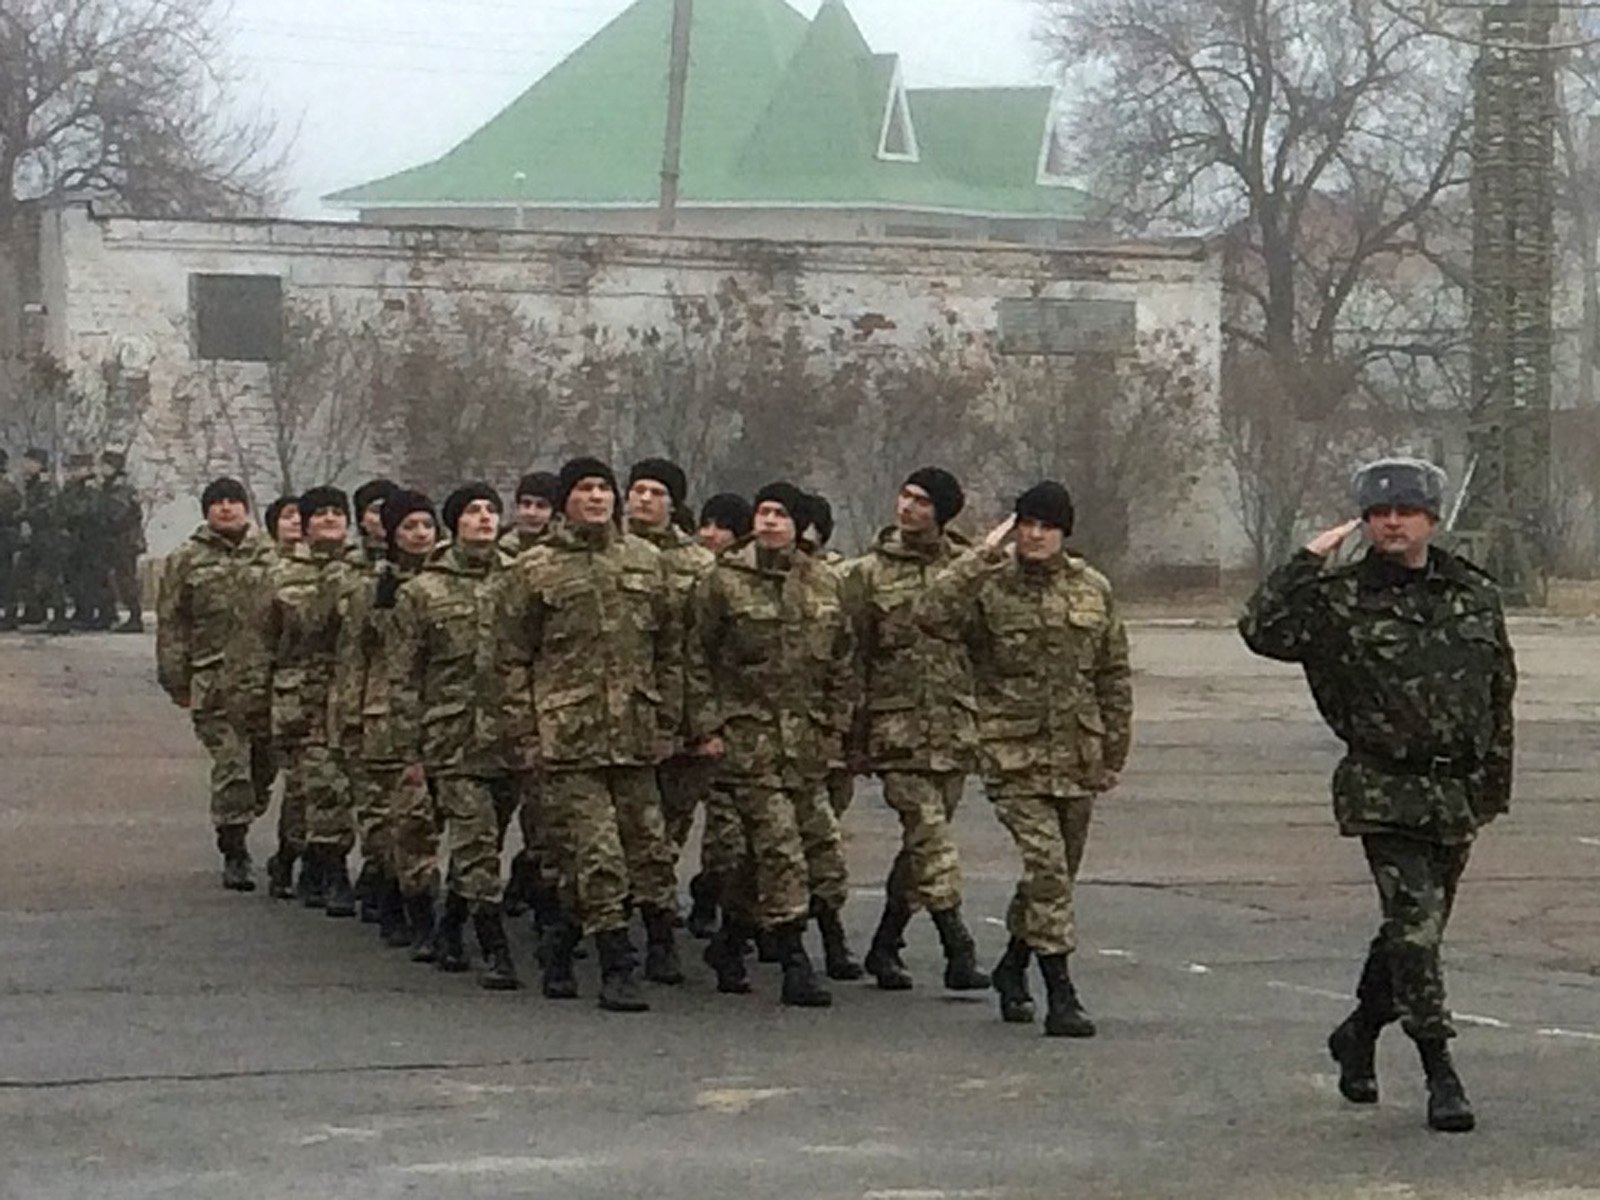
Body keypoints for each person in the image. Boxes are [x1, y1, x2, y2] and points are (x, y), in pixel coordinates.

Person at [1238, 458, 1516, 1134]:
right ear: (1364, 520)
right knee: (1417, 933)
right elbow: (1262, 630)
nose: (1393, 522)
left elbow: (1497, 690)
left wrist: (1493, 782)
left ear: (1432, 518)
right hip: (1384, 784)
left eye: (1408, 510)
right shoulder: (1339, 600)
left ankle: (1359, 1031)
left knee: (1410, 930)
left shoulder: (1472, 592)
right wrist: (1305, 561)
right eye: (1380, 512)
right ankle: (1439, 1071)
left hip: (1454, 788)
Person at [918, 482, 1132, 1038]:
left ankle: (1013, 967)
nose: (1035, 536)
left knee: (1056, 877)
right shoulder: (988, 586)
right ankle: (1061, 993)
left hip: (1077, 755)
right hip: (1012, 755)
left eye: (1047, 527)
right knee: (1047, 870)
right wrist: (980, 558)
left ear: (1064, 533)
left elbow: (1111, 672)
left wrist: (1114, 750)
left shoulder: (1092, 589)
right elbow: (930, 615)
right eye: (1027, 524)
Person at [498, 457, 683, 1011]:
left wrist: (668, 720)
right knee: (598, 852)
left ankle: (559, 943)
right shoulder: (534, 569)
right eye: (584, 489)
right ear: (564, 502)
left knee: (648, 850)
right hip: (566, 738)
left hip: (633, 735)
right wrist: (524, 733)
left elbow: (670, 649)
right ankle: (616, 963)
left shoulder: (648, 562)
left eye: (605, 487)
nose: (597, 497)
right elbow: (510, 656)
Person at [687, 482, 856, 1007]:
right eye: (762, 512)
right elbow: (696, 658)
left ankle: (731, 940)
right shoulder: (724, 582)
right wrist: (706, 728)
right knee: (781, 853)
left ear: (799, 525)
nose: (769, 522)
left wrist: (834, 725)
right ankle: (794, 963)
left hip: (804, 746)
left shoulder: (824, 583)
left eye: (780, 514)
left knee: (819, 857)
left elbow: (842, 662)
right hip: (747, 743)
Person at [842, 467, 989, 993]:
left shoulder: (969, 569)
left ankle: (886, 945)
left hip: (952, 728)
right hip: (895, 729)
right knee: (931, 837)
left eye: (922, 501)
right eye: (904, 496)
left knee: (921, 847)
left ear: (942, 513)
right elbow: (852, 657)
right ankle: (958, 946)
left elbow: (986, 648)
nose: (907, 508)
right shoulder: (867, 574)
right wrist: (853, 737)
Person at [390, 484, 521, 990]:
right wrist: (410, 750)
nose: (484, 519)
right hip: (453, 738)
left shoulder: (521, 579)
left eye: (491, 510)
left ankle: (450, 926)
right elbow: (404, 676)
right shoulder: (423, 592)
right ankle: (495, 947)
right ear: (454, 523)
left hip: (510, 735)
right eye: (472, 511)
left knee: (489, 837)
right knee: (476, 841)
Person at [244, 487, 362, 914]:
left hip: (352, 695)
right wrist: (254, 706)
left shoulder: (364, 571)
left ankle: (308, 860)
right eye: (320, 514)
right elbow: (258, 644)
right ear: (306, 524)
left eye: (337, 512)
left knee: (333, 788)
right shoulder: (277, 575)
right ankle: (323, 867)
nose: (330, 519)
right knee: (313, 786)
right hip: (300, 698)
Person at [155, 478, 277, 889]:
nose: (226, 509)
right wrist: (176, 679)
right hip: (214, 681)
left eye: (233, 502)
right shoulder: (187, 559)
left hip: (266, 684)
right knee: (232, 766)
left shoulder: (272, 555)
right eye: (217, 503)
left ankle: (244, 813)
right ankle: (235, 849)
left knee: (263, 768)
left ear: (246, 507)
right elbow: (173, 623)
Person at [624, 458, 717, 881]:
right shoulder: (609, 553)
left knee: (670, 825)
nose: (645, 499)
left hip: (682, 715)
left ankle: (651, 907)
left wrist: (702, 725)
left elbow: (708, 648)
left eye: (657, 493)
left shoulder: (699, 565)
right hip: (620, 713)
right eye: (639, 490)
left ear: (674, 503)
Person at [16, 448, 69, 634]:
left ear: (38, 463)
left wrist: (24, 515)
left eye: (28, 461)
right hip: (37, 536)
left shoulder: (46, 485)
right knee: (27, 574)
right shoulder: (32, 484)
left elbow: (48, 509)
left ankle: (59, 616)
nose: (24, 465)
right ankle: (36, 611)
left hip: (50, 536)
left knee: (51, 577)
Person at [99, 451, 146, 633]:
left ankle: (135, 617)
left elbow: (118, 515)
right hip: (118, 540)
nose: (102, 469)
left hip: (125, 541)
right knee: (117, 578)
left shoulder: (121, 489)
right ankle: (116, 613)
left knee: (126, 579)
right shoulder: (111, 487)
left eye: (105, 465)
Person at [59, 452, 104, 629]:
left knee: (88, 578)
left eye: (77, 468)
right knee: (74, 577)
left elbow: (88, 510)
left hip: (89, 538)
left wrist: (70, 513)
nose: (73, 471)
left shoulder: (91, 488)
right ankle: (80, 610)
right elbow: (61, 507)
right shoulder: (71, 488)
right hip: (74, 538)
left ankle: (88, 613)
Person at [500, 471, 560, 558]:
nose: (531, 513)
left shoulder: (564, 551)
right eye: (526, 504)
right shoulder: (499, 546)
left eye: (541, 506)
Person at [353, 478, 398, 566]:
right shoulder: (345, 564)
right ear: (362, 519)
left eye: (391, 509)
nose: (384, 517)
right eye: (376, 511)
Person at [0, 450, 20, 631]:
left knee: (5, 578)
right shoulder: (8, 486)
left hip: (4, 538)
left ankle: (10, 613)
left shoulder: (5, 488)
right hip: (6, 537)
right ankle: (9, 612)